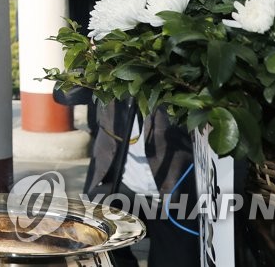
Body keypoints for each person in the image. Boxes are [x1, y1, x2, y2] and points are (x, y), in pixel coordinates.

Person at [84, 99, 200, 267]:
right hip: (123, 186)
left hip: (174, 192)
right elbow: (65, 95)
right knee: (93, 232)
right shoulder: (108, 83)